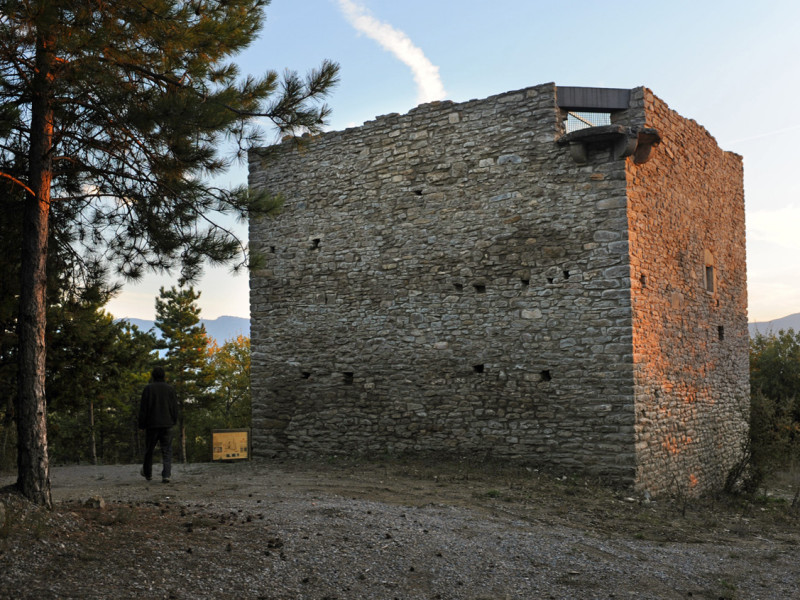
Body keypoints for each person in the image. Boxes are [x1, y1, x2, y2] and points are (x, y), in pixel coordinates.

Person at [138, 366, 178, 483]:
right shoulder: (170, 389)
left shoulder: (148, 389)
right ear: (164, 376)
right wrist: (173, 420)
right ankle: (166, 474)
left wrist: (141, 425)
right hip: (167, 424)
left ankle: (148, 473)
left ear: (153, 376)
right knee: (167, 450)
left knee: (149, 449)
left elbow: (143, 409)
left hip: (152, 424)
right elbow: (174, 407)